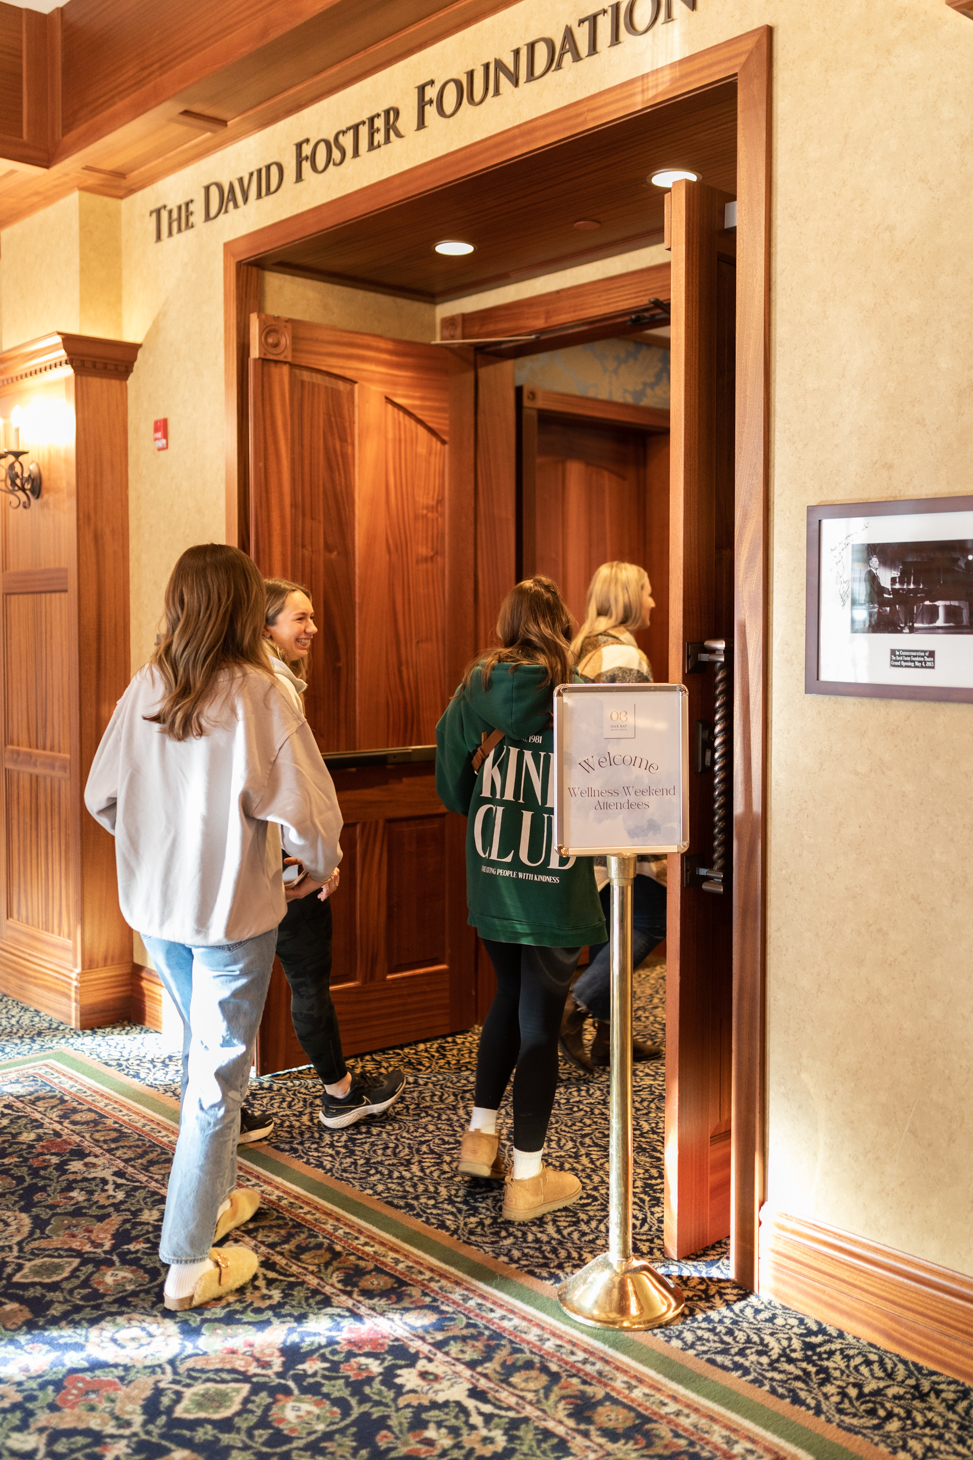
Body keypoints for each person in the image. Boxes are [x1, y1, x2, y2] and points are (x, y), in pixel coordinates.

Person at [85, 544, 343, 1311]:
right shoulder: (260, 693)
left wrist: (157, 852)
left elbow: (103, 797)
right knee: (219, 1075)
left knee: (206, 1063)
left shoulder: (147, 686)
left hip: (158, 910)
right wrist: (314, 866)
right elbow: (310, 815)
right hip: (231, 914)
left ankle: (217, 1197)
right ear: (242, 609)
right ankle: (188, 1258)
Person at [436, 577, 606, 1221]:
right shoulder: (579, 695)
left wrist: (473, 794)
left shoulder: (478, 685)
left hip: (493, 865)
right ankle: (528, 1178)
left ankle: (480, 1140)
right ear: (561, 624)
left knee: (507, 997)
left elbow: (448, 767)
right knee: (540, 1020)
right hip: (553, 880)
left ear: (507, 625)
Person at [255, 578, 405, 1129]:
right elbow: (295, 791)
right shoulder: (273, 688)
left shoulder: (230, 681)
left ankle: (230, 1111)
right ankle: (339, 1095)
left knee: (231, 990)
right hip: (284, 868)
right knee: (307, 980)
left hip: (237, 869)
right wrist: (317, 863)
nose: (313, 628)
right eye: (300, 618)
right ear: (265, 626)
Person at [559, 561, 666, 1073]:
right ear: (627, 598)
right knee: (649, 917)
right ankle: (575, 1006)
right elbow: (630, 747)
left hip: (586, 803)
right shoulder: (625, 655)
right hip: (618, 807)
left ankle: (610, 1040)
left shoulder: (582, 648)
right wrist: (650, 826)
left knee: (612, 922)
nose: (653, 601)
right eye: (646, 592)